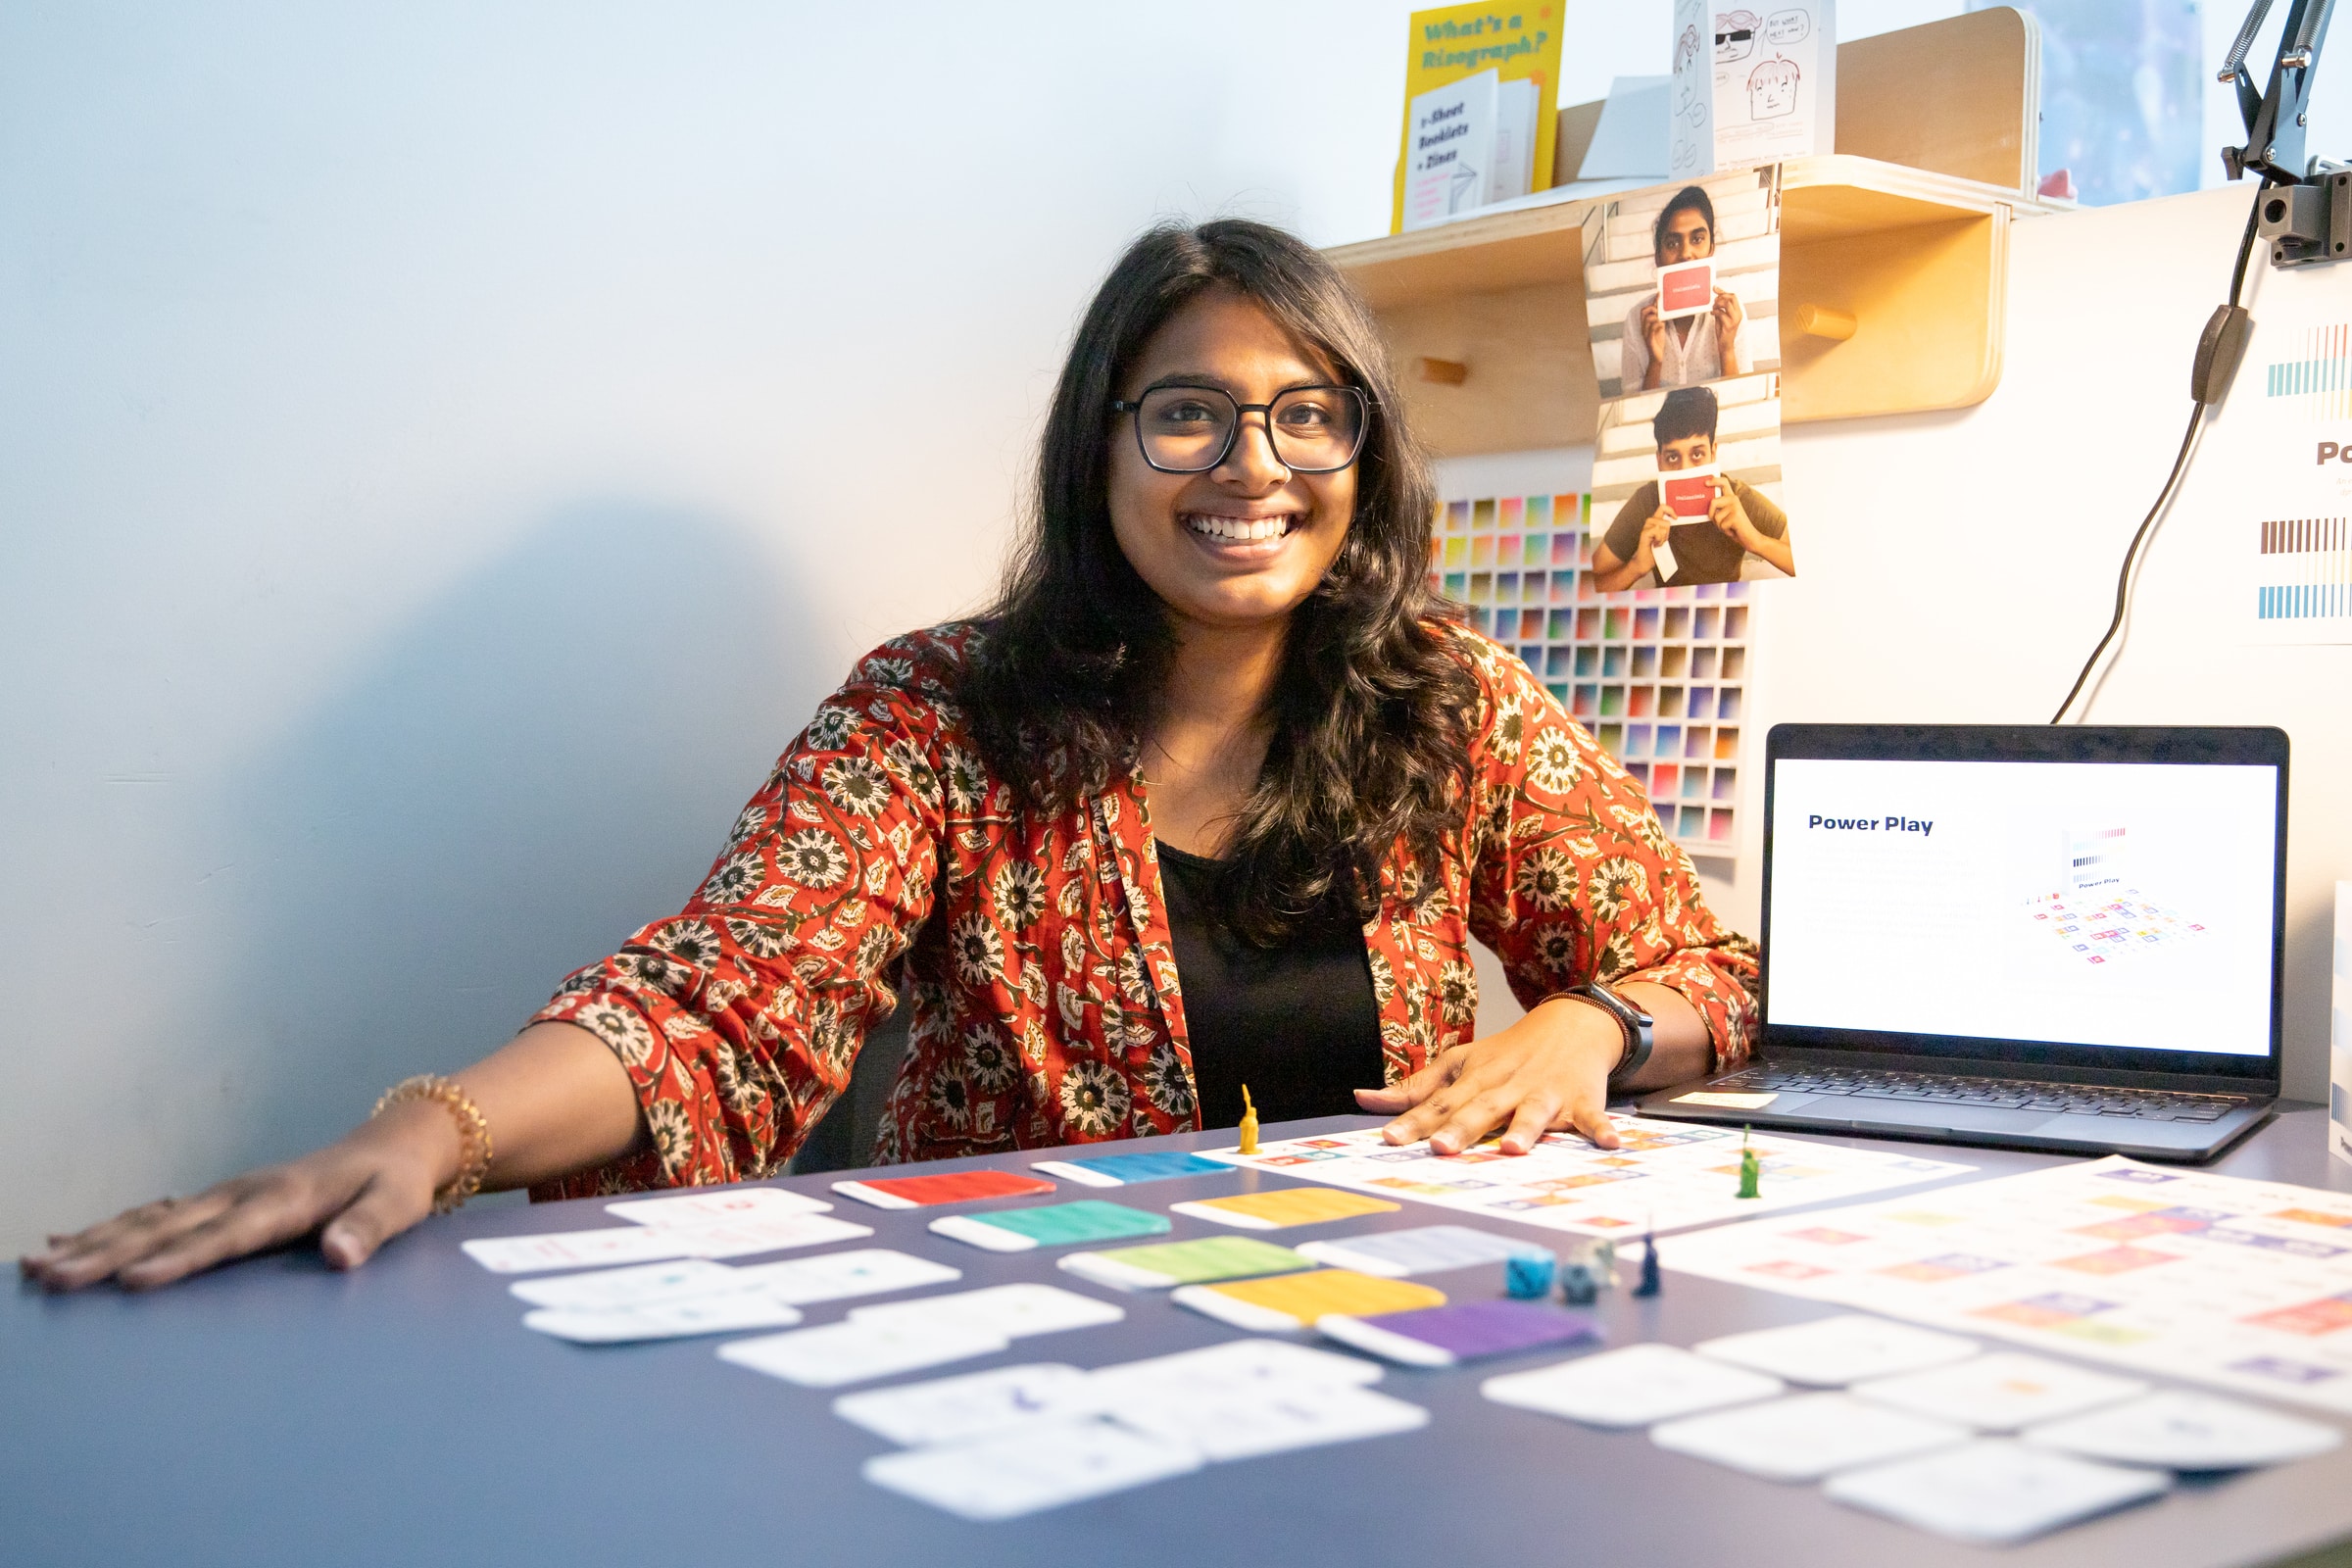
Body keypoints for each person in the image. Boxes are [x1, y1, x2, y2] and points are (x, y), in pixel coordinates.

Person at [24, 220, 1759, 1294]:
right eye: (1189, 411)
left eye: (1313, 414)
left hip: (1389, 1320)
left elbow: (1711, 972)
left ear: (1367, 462)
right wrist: (438, 1129)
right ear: (1102, 449)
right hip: (1020, 1332)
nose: (1255, 462)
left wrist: (1586, 1021)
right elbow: (726, 1002)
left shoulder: (1445, 703)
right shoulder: (937, 713)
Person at [1591, 386, 1792, 591]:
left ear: (1713, 453)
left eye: (1697, 455)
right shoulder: (1646, 501)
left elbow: (1808, 562)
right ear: (1659, 460)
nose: (1684, 469)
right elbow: (1588, 585)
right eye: (1672, 457)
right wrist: (1635, 568)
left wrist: (1756, 542)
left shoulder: (1736, 499)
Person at [1619, 184, 1745, 392]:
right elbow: (1637, 409)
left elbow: (1740, 402)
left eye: (1697, 239)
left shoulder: (1732, 315)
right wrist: (1655, 362)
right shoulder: (1636, 320)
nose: (1686, 253)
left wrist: (1727, 350)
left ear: (1711, 248)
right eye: (1672, 243)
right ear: (1658, 257)